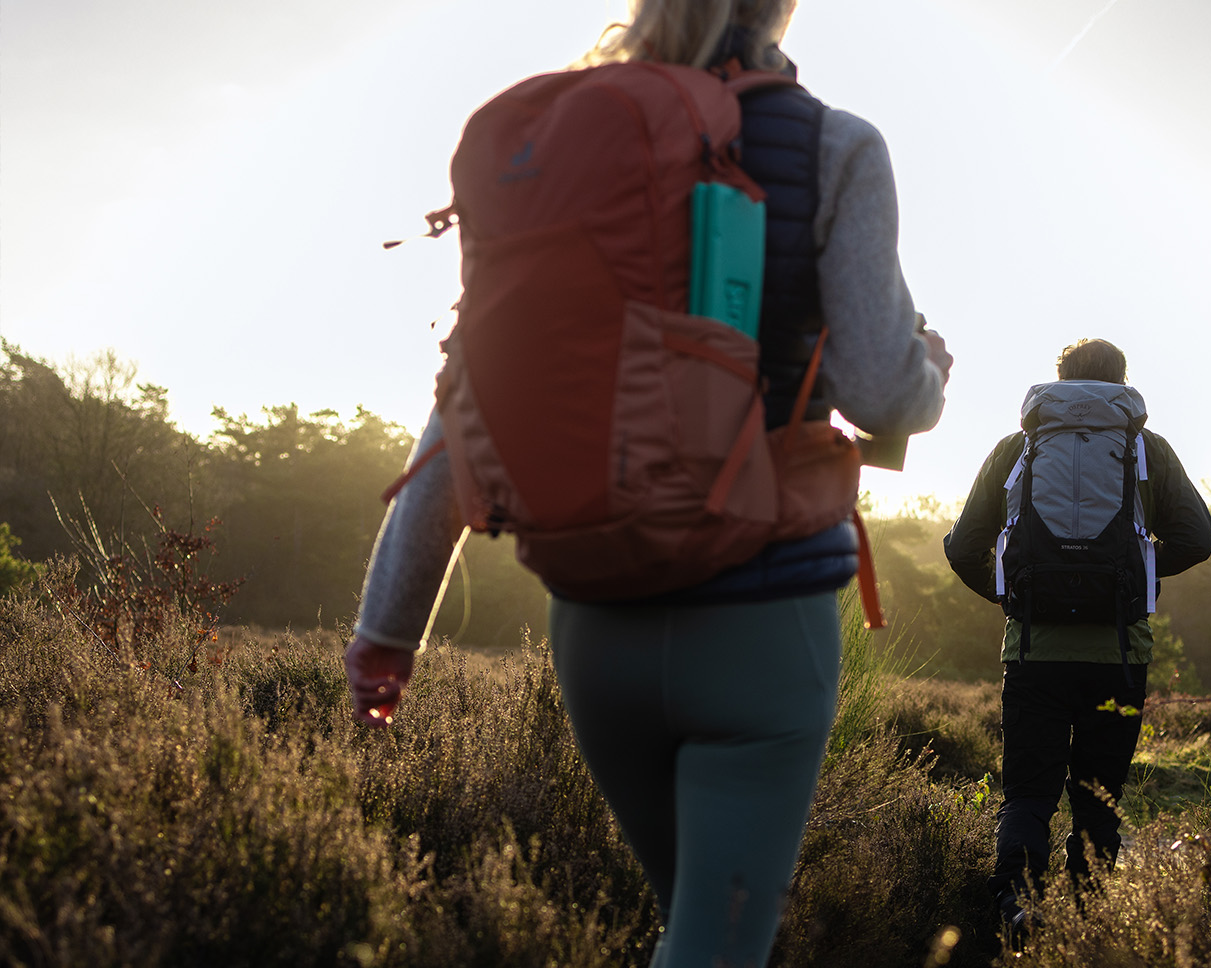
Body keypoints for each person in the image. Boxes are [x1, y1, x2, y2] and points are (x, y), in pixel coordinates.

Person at [342, 3, 953, 966]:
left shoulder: (554, 147)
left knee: (691, 930)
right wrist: (930, 376)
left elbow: (465, 406)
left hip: (596, 629)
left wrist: (387, 632)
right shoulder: (834, 146)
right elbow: (880, 389)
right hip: (760, 622)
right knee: (717, 947)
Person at [942, 338, 1211, 939]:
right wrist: (1133, 577)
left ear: (1059, 380)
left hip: (1034, 656)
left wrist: (1012, 596)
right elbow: (1198, 538)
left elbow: (962, 548)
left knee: (1028, 793)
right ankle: (1086, 921)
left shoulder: (1018, 448)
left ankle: (1016, 906)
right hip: (1119, 659)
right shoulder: (1146, 449)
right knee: (1098, 796)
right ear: (1121, 381)